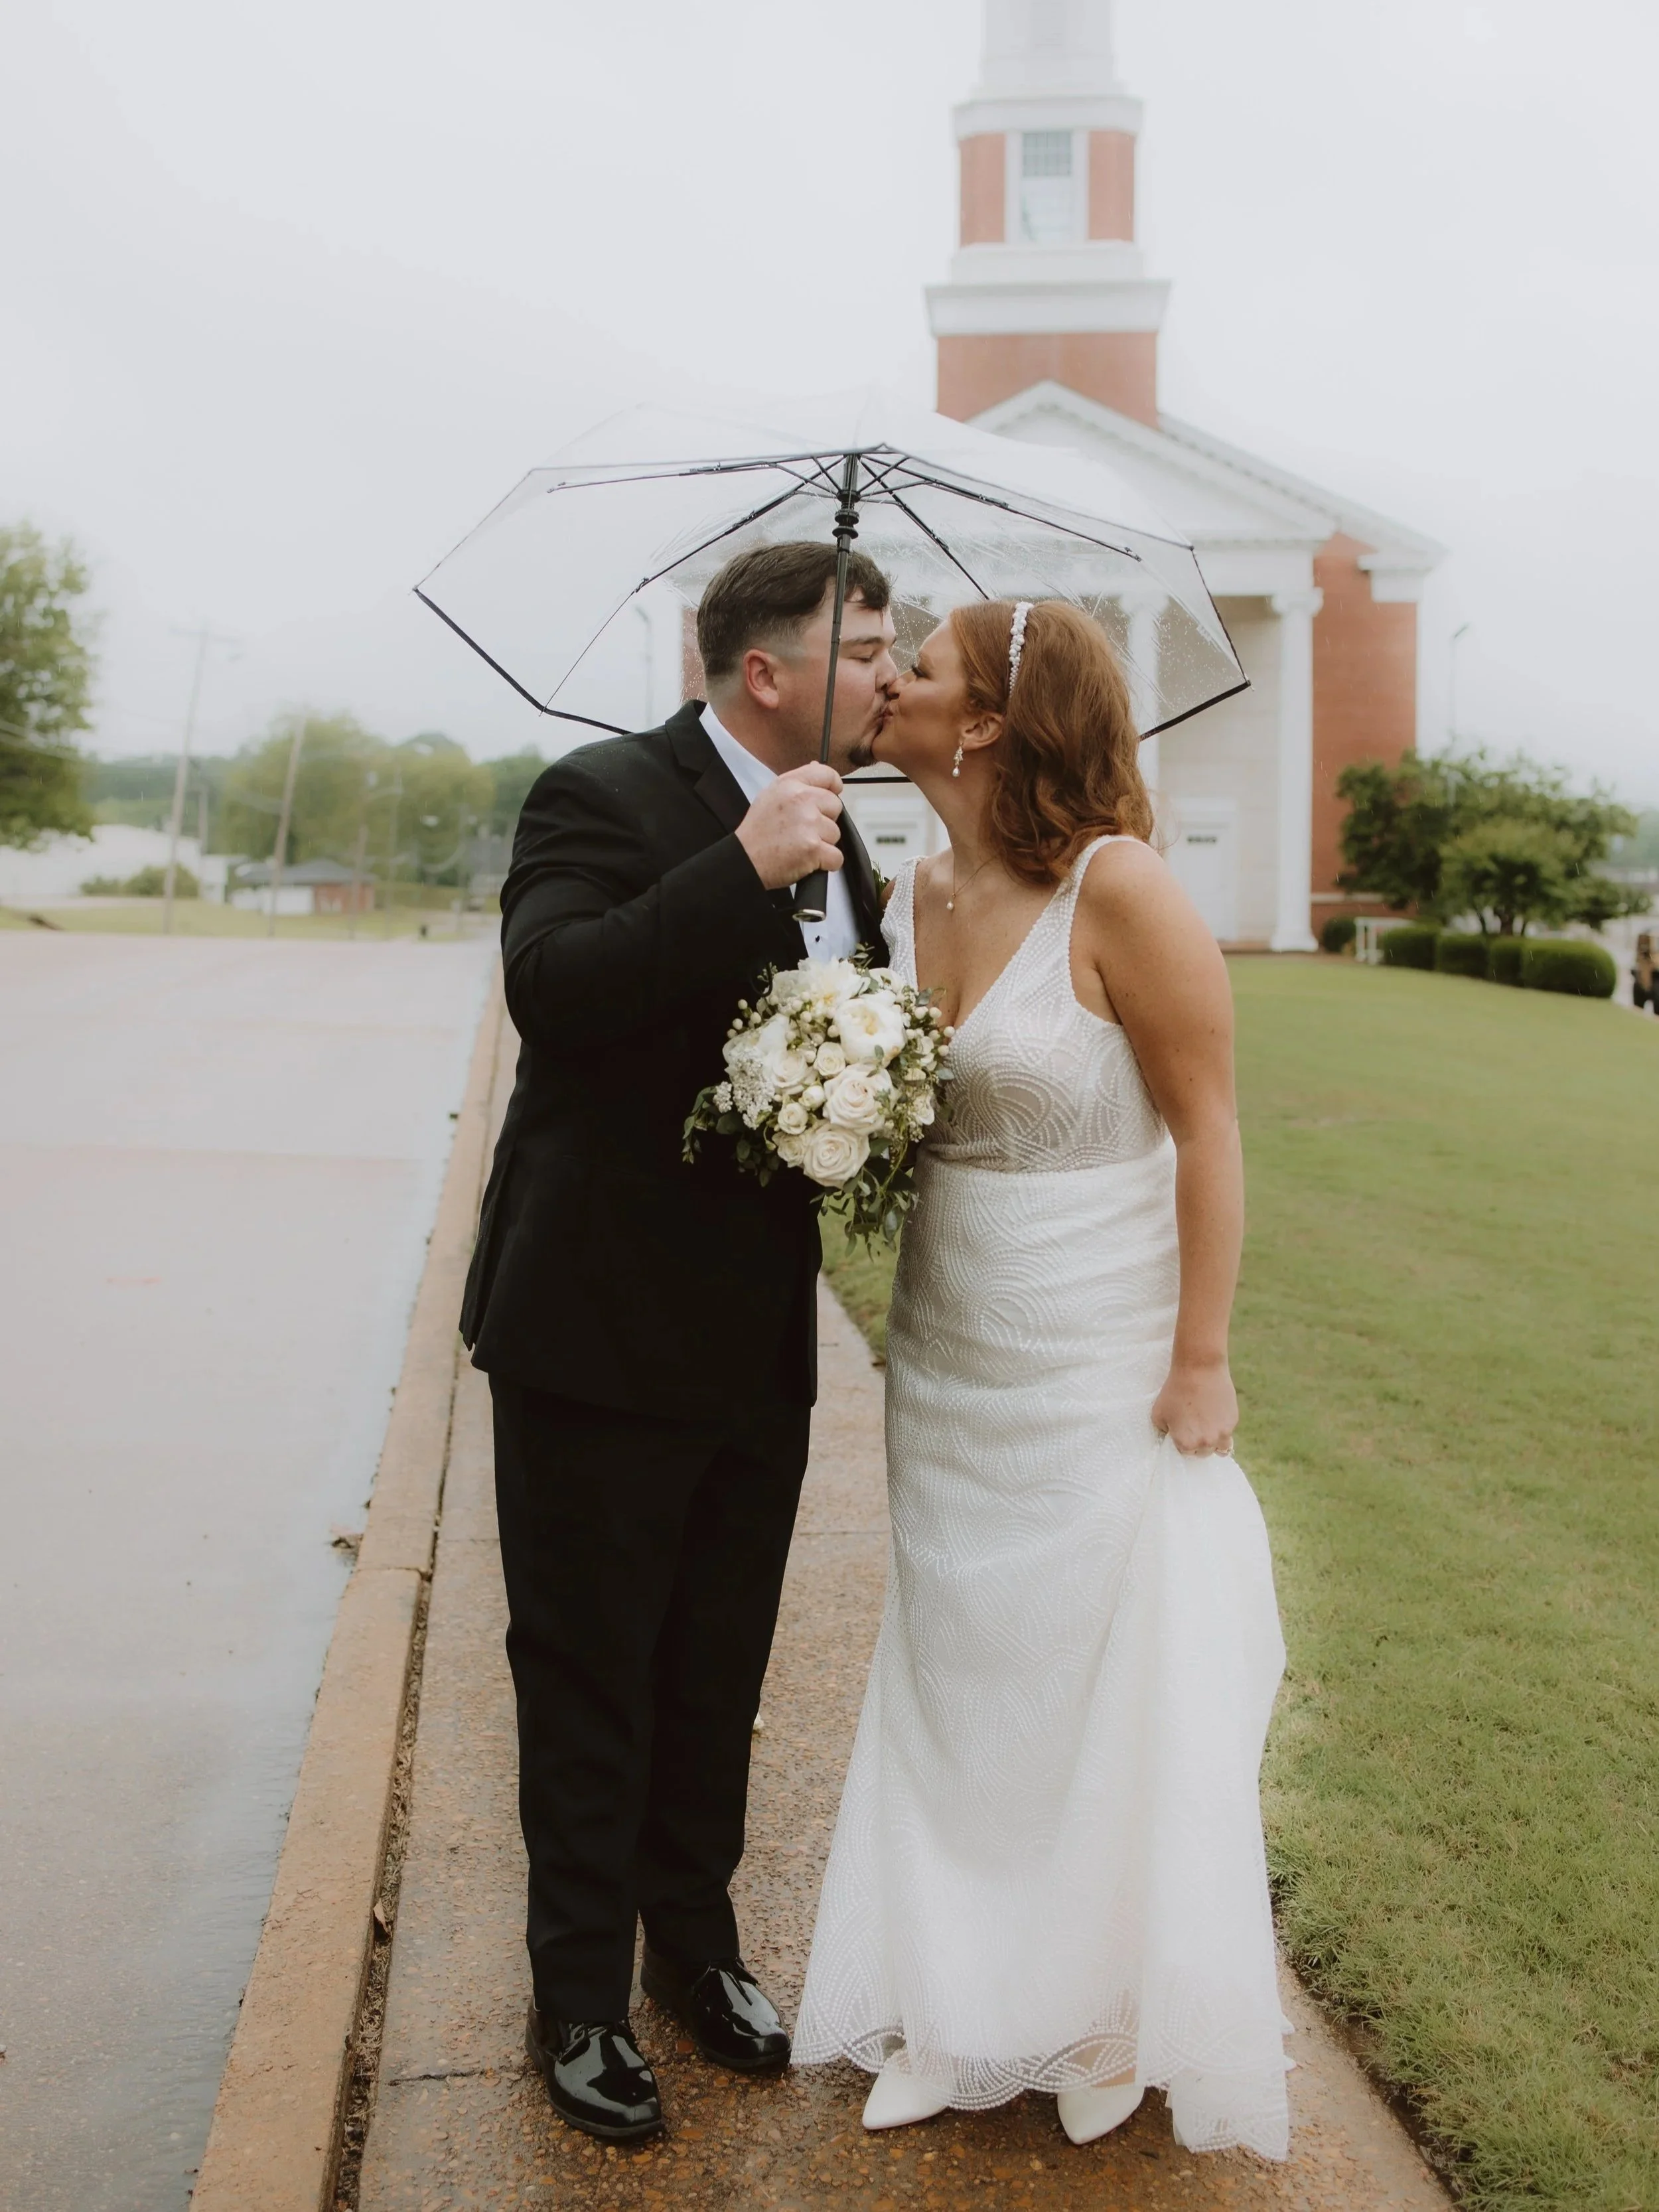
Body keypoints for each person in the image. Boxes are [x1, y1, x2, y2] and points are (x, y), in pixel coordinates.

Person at [793, 600, 1291, 2160]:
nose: (885, 687)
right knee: (957, 1671)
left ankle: (1098, 2010)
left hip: (1096, 1349)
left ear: (991, 722)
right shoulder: (908, 886)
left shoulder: (1117, 888)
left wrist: (1198, 1356)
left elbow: (1207, 1126)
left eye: (915, 673)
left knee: (1089, 1674)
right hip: (946, 1345)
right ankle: (952, 2001)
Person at [463, 541, 898, 2142]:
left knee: (716, 1664)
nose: (889, 675)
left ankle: (691, 1951)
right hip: (589, 1326)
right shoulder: (596, 793)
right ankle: (576, 1993)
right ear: (763, 672)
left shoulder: (847, 844)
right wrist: (738, 860)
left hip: (753, 1336)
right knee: (589, 1670)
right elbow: (556, 990)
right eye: (864, 647)